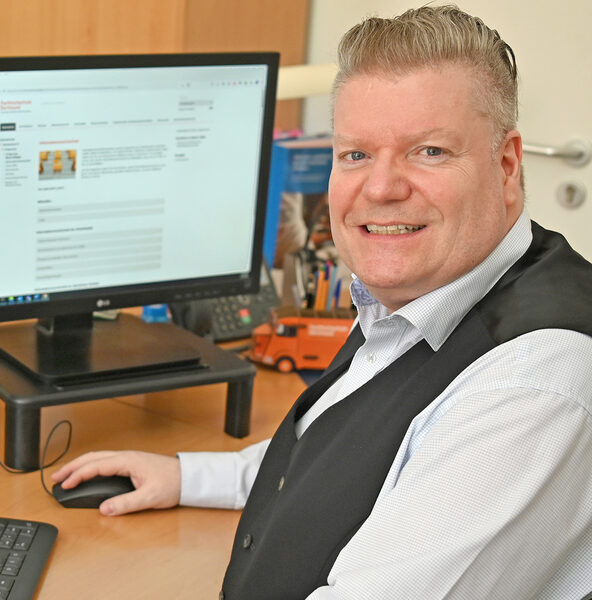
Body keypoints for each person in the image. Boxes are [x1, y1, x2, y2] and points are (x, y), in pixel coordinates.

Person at [52, 5, 592, 598]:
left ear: (507, 165)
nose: (381, 189)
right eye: (356, 154)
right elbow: (363, 458)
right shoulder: (430, 291)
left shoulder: (532, 383)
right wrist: (190, 475)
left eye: (429, 151)